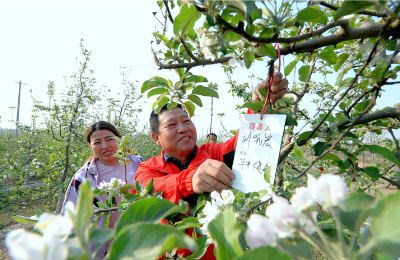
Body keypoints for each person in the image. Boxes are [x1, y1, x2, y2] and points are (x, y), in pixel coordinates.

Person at [134, 73, 288, 259]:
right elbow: (149, 191)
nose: (183, 128)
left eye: (186, 120)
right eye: (172, 124)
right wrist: (191, 180)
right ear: (156, 138)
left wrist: (260, 109)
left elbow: (241, 146)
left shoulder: (213, 153)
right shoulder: (147, 168)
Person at [61, 121, 143, 257]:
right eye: (97, 142)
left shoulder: (138, 164)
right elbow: (70, 215)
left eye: (109, 139)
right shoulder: (83, 178)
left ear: (119, 138)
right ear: (90, 146)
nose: (105, 146)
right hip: (103, 250)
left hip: (138, 243)